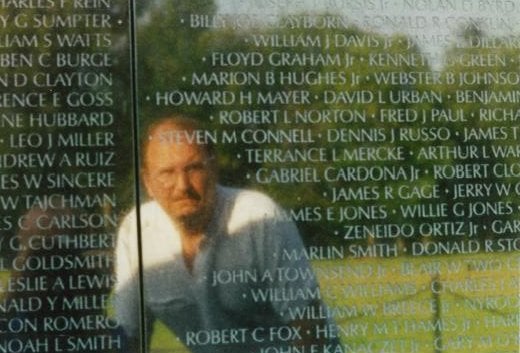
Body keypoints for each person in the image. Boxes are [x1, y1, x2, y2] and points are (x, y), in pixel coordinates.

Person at [114, 116, 334, 352]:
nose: (182, 186)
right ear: (147, 181)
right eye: (167, 173)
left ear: (213, 167)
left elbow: (309, 326)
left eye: (194, 168)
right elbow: (130, 337)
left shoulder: (260, 218)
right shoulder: (135, 232)